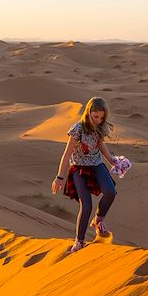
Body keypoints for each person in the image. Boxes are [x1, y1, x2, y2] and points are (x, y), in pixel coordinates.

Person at [51, 97, 118, 253]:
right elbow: (67, 155)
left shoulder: (100, 128)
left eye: (102, 118)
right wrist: (59, 177)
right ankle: (79, 241)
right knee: (86, 205)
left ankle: (98, 220)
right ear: (88, 113)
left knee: (110, 192)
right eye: (96, 117)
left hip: (96, 166)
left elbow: (100, 144)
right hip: (79, 169)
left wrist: (112, 160)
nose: (98, 120)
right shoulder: (78, 129)